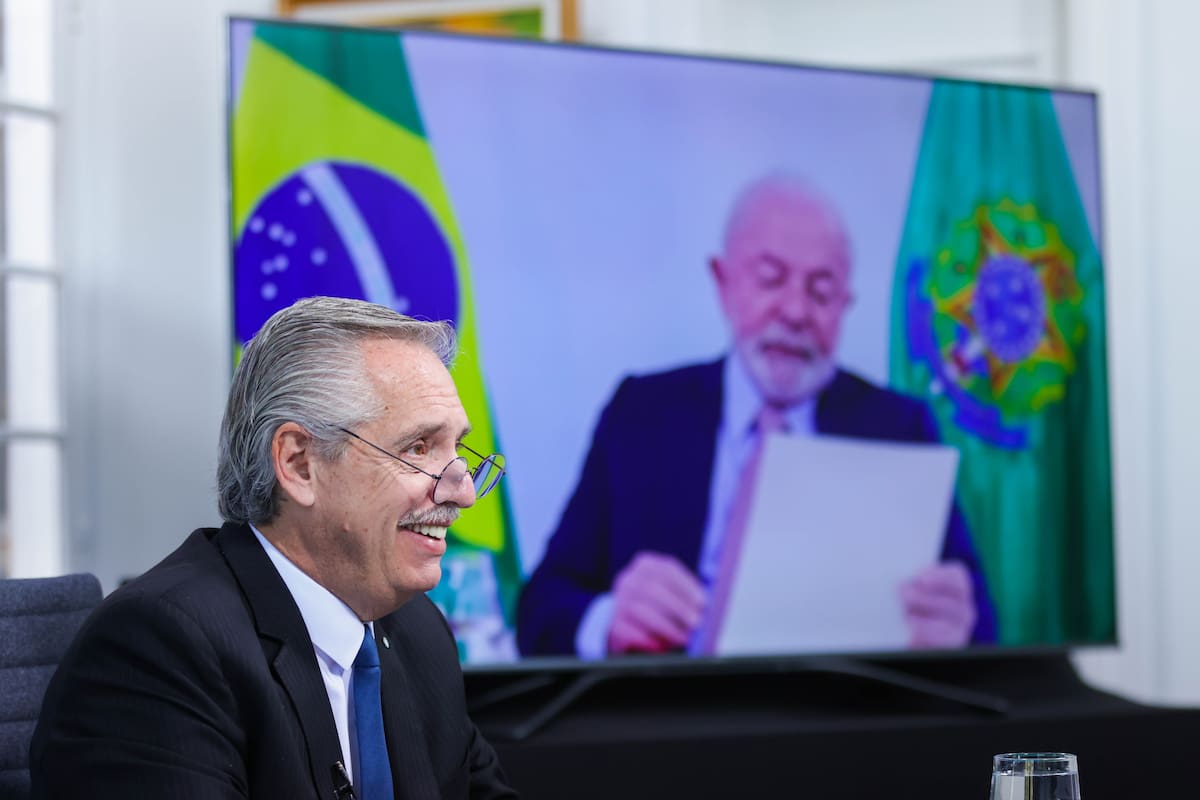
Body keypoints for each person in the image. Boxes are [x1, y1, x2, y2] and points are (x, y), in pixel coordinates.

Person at [30, 297, 518, 799]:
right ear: (299, 464)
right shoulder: (162, 646)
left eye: (458, 451)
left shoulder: (419, 635)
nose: (461, 491)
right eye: (418, 449)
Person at [517, 175, 997, 658]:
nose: (794, 311)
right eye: (770, 278)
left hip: (841, 712)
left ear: (845, 306)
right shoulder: (643, 414)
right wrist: (608, 620)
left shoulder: (900, 429)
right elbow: (541, 607)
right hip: (667, 712)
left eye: (822, 290)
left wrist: (957, 628)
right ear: (723, 284)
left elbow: (981, 624)